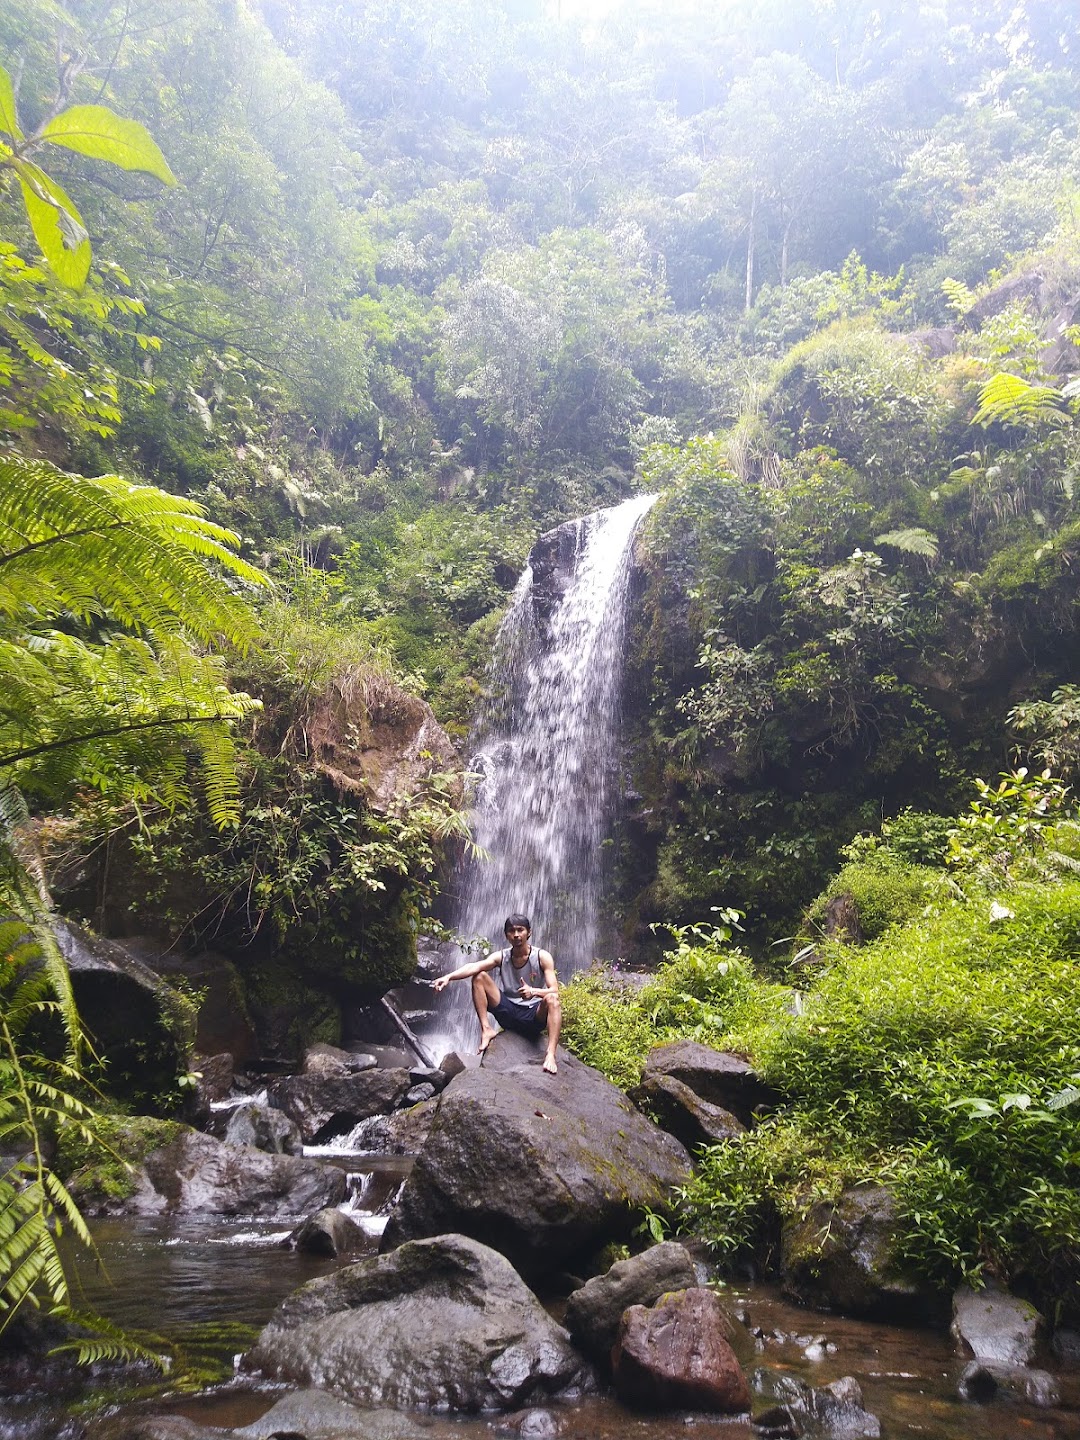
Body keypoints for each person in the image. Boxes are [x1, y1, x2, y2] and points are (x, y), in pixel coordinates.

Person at [432, 914, 561, 1073]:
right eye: (511, 931)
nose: (516, 935)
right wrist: (448, 977)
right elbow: (475, 966)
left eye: (520, 930)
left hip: (534, 1016)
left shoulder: (542, 957)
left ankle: (551, 1054)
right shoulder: (502, 956)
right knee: (479, 976)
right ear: (506, 935)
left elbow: (554, 990)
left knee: (553, 999)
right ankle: (487, 1030)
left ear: (529, 932)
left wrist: (533, 992)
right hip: (509, 1012)